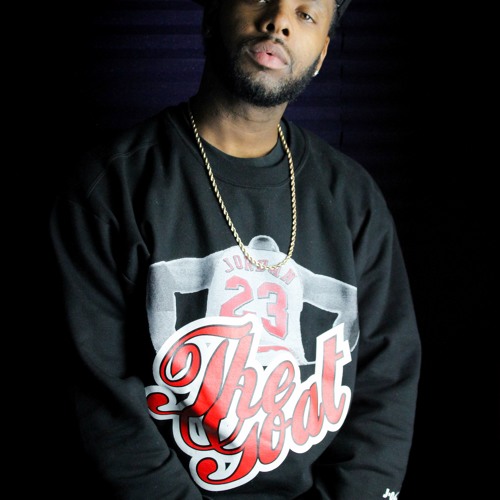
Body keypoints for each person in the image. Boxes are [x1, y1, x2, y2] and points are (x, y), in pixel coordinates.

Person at [49, 0, 421, 498]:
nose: (279, 20)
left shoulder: (353, 197)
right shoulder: (109, 187)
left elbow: (386, 384)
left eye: (306, 14)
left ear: (322, 55)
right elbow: (105, 411)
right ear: (211, 18)